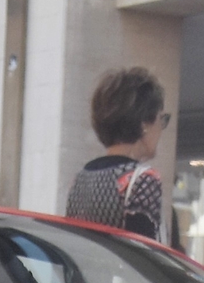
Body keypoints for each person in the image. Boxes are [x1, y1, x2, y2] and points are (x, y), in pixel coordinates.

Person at [64, 67, 169, 241]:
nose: (161, 127)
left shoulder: (80, 179)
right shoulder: (143, 178)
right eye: (161, 118)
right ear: (144, 123)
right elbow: (145, 251)